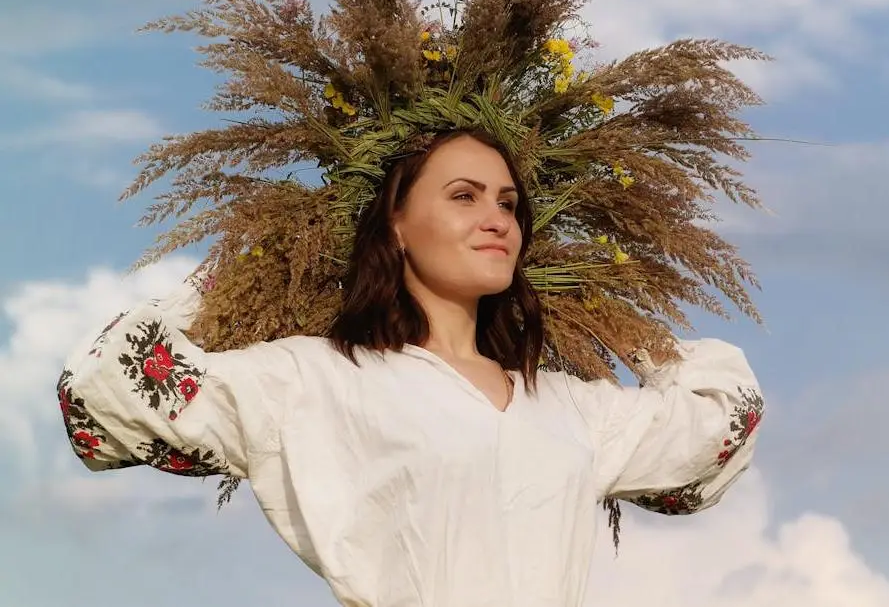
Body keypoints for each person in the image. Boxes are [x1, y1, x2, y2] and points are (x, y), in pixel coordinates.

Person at [56, 129, 766, 607]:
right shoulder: (318, 379)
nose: (497, 219)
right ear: (394, 222)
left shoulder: (570, 405)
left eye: (509, 204)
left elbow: (719, 420)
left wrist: (621, 319)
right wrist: (233, 281)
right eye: (464, 196)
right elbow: (103, 388)